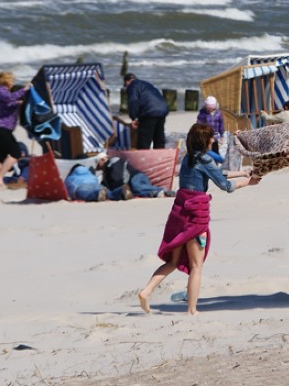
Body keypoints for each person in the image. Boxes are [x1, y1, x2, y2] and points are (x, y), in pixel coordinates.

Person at [137, 123, 259, 316]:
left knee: (173, 262)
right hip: (195, 216)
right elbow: (225, 185)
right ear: (205, 140)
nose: (213, 140)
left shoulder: (188, 159)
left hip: (179, 213)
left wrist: (243, 172)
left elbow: (215, 173)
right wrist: (248, 183)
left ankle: (146, 291)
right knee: (196, 266)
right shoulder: (206, 160)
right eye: (211, 137)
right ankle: (192, 310)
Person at [0, 71, 31, 189]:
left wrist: (19, 103)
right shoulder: (2, 91)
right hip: (2, 128)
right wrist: (25, 89)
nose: (13, 83)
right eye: (12, 80)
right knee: (15, 153)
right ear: (7, 81)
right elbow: (10, 98)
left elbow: (8, 104)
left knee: (1, 157)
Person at [124, 73, 170, 149]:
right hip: (162, 110)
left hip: (149, 113)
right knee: (158, 137)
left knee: (144, 140)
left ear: (127, 82)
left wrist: (133, 118)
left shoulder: (132, 86)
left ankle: (142, 158)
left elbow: (133, 101)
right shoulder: (146, 84)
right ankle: (160, 157)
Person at [97, 154, 175, 199]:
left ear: (103, 159)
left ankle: (162, 190)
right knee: (135, 190)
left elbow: (117, 176)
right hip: (135, 182)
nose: (98, 166)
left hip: (136, 176)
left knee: (136, 186)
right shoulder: (106, 174)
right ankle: (157, 193)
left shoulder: (112, 161)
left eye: (98, 162)